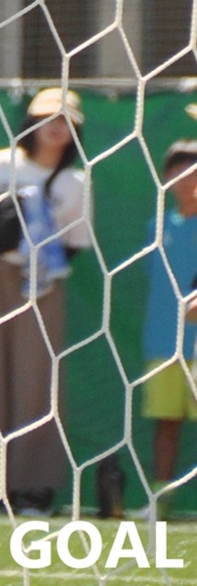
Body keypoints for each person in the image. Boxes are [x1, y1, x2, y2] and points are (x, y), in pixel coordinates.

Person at [0, 87, 93, 513]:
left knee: (38, 379)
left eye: (66, 121)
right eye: (48, 118)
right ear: (31, 123)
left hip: (45, 283)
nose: (57, 127)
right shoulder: (0, 163)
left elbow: (77, 240)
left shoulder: (76, 183)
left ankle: (35, 487)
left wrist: (42, 261)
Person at [138, 137, 197, 519]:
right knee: (166, 423)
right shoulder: (156, 228)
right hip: (163, 342)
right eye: (178, 170)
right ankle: (160, 501)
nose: (187, 177)